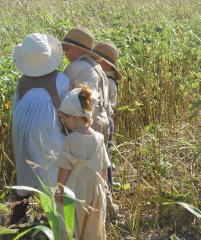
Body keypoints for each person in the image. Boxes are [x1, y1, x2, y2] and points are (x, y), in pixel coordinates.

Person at [10, 33, 70, 224]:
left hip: (20, 122)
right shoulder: (61, 79)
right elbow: (67, 109)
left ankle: (17, 217)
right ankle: (56, 219)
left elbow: (14, 108)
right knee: (52, 168)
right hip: (45, 124)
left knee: (24, 167)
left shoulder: (21, 82)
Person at [55, 86, 110, 240]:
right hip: (95, 188)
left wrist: (59, 191)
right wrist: (102, 186)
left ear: (72, 117)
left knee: (72, 224)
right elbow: (104, 167)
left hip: (75, 189)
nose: (66, 123)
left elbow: (64, 169)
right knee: (93, 225)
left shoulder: (70, 140)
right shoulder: (99, 138)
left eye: (65, 119)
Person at [61, 27, 110, 146]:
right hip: (103, 119)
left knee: (82, 162)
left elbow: (63, 94)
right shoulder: (97, 67)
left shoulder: (75, 67)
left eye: (67, 48)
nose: (65, 52)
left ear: (80, 51)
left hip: (86, 123)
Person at [93, 42, 122, 219]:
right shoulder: (106, 79)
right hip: (106, 121)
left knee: (105, 158)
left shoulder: (107, 81)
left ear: (106, 63)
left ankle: (108, 190)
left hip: (105, 121)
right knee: (105, 156)